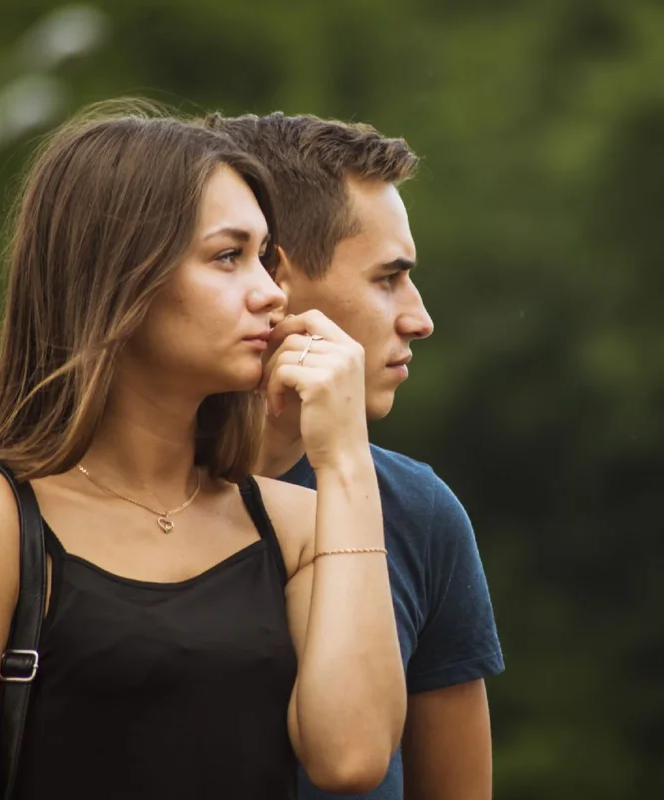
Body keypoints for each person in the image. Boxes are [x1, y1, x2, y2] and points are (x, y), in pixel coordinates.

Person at [0, 101, 405, 799]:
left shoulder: (293, 527)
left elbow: (353, 758)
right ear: (120, 278)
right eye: (228, 257)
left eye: (265, 259)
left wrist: (345, 461)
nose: (270, 296)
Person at [205, 111, 504, 800]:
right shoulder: (100, 506)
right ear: (270, 278)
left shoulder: (416, 512)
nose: (419, 318)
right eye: (387, 278)